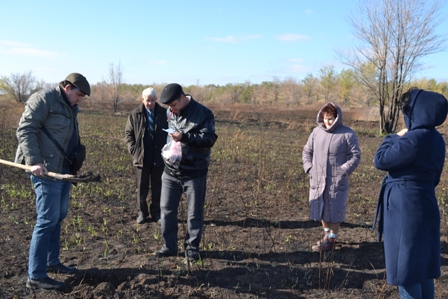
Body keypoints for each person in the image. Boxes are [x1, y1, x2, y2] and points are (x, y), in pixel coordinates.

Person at [15, 73, 90, 290]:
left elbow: (69, 137)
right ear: (67, 87)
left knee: (58, 217)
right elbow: (26, 129)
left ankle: (52, 262)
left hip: (63, 169)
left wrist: (75, 162)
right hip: (45, 170)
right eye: (78, 95)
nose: (80, 99)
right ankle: (36, 275)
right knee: (47, 220)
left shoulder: (70, 107)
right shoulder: (44, 99)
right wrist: (35, 161)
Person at [373, 88, 447, 299]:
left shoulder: (413, 139)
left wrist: (392, 137)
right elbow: (435, 178)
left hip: (404, 210)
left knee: (406, 272)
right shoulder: (437, 139)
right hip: (425, 205)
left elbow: (381, 160)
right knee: (422, 269)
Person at [153, 83, 218, 262]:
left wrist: (185, 137)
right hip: (171, 171)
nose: (171, 109)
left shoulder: (203, 113)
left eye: (173, 104)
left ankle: (191, 250)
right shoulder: (170, 112)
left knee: (194, 213)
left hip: (194, 171)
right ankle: (169, 246)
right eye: (169, 106)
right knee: (166, 209)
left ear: (182, 97)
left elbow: (210, 139)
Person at [302, 102, 361, 252]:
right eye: (325, 118)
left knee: (334, 211)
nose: (327, 122)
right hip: (318, 179)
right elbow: (307, 151)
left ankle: (331, 240)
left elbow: (355, 156)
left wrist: (343, 171)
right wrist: (309, 168)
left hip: (336, 180)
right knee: (321, 210)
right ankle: (327, 236)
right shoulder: (316, 132)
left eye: (330, 118)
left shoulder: (347, 134)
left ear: (337, 118)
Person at [125, 87, 168, 224]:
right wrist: (133, 150)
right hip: (141, 156)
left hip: (158, 156)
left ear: (156, 100)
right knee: (142, 187)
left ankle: (156, 213)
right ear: (142, 99)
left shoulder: (164, 113)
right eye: (147, 100)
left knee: (158, 186)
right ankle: (142, 213)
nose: (150, 103)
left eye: (152, 100)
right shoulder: (134, 114)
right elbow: (128, 134)